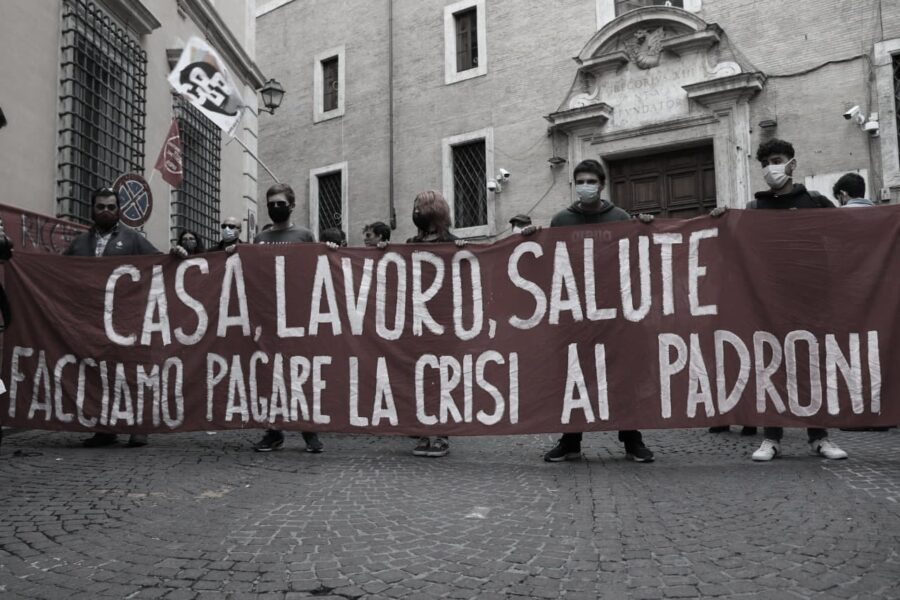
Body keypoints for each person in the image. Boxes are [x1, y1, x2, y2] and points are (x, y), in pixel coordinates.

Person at [533, 159, 655, 463]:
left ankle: (632, 440)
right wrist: (531, 240)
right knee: (574, 375)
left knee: (622, 375)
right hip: (575, 314)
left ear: (601, 185)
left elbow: (637, 258)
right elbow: (549, 262)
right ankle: (570, 440)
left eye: (590, 180)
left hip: (613, 313)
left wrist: (649, 229)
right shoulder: (561, 221)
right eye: (580, 181)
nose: (585, 186)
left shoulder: (620, 217)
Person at [747, 139, 847, 461]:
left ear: (792, 163)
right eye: (765, 163)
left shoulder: (816, 202)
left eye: (775, 160)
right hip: (771, 301)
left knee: (811, 366)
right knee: (772, 366)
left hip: (811, 299)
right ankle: (771, 438)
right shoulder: (754, 209)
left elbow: (854, 232)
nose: (770, 168)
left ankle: (819, 437)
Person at [64, 187, 160, 448]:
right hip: (90, 321)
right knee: (98, 374)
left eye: (110, 206)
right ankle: (104, 429)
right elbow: (59, 274)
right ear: (92, 210)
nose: (106, 211)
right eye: (100, 207)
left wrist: (179, 256)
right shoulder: (79, 244)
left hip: (125, 320)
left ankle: (139, 428)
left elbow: (160, 264)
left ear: (119, 210)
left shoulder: (133, 239)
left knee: (130, 374)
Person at [379, 191, 465, 457]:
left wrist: (465, 251)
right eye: (414, 206)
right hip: (417, 320)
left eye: (420, 206)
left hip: (443, 320)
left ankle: (441, 433)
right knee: (420, 376)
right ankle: (424, 430)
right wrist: (383, 252)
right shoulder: (410, 243)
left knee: (441, 377)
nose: (416, 211)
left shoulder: (453, 242)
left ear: (433, 210)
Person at [251, 183, 323, 454]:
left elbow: (318, 269)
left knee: (301, 373)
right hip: (268, 315)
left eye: (280, 203)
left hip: (298, 315)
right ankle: (273, 431)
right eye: (271, 203)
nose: (275, 207)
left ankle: (309, 431)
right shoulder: (260, 238)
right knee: (269, 375)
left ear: (291, 205)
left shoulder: (304, 235)